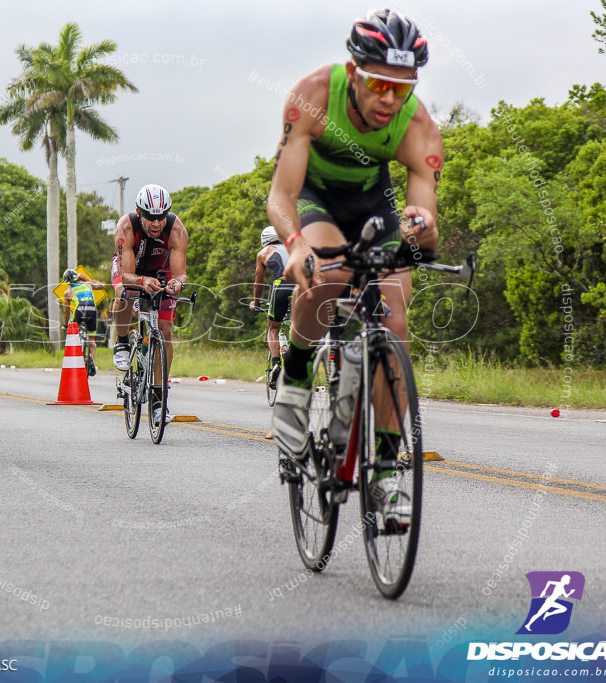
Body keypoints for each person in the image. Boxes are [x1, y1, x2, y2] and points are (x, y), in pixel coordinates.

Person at [267, 9, 442, 529]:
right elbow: (282, 194)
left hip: (373, 205)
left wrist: (424, 231)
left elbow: (421, 213)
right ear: (354, 70)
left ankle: (387, 473)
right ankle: (296, 377)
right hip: (316, 200)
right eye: (379, 84)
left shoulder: (418, 126)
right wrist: (295, 244)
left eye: (403, 86)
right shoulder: (313, 97)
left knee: (394, 323)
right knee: (327, 279)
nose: (390, 98)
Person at [110, 184, 189, 423]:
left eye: (160, 217)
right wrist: (142, 281)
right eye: (150, 218)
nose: (156, 223)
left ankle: (158, 398)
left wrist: (177, 284)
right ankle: (122, 342)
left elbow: (180, 273)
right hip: (131, 270)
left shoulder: (176, 230)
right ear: (138, 212)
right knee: (125, 292)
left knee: (165, 332)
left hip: (161, 270)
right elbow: (125, 273)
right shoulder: (126, 227)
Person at [250, 226, 295, 389]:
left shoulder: (263, 254)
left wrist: (256, 302)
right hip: (303, 288)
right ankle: (295, 357)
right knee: (297, 327)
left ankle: (276, 363)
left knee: (273, 328)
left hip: (281, 286)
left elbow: (258, 283)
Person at [62, 268, 106, 376]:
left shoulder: (67, 292)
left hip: (79, 311)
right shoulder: (88, 285)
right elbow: (102, 285)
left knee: (73, 337)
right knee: (92, 342)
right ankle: (91, 361)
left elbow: (67, 312)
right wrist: (86, 278)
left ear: (66, 282)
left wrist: (65, 325)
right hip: (92, 311)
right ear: (78, 278)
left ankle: (76, 361)